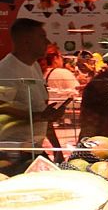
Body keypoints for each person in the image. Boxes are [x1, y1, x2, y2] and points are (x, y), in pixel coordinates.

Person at [0, 18, 66, 158]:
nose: (47, 42)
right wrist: (38, 116)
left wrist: (56, 148)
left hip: (33, 149)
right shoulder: (6, 70)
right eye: (42, 37)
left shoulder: (34, 66)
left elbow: (42, 111)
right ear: (26, 42)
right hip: (11, 153)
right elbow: (1, 107)